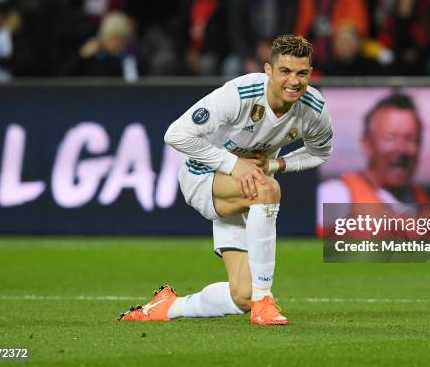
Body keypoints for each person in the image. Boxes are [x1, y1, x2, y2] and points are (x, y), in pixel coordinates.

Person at [119, 34, 333, 325]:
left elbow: (321, 152)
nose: (293, 81)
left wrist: (275, 163)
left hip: (243, 193)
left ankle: (168, 307)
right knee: (267, 188)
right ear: (268, 71)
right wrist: (233, 164)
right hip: (202, 177)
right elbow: (176, 134)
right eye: (284, 71)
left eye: (302, 73)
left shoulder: (313, 108)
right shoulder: (240, 94)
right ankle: (264, 301)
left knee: (241, 295)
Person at [317, 93, 430, 234]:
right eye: (391, 138)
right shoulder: (335, 195)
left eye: (410, 139)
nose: (401, 149)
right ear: (368, 143)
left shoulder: (423, 202)